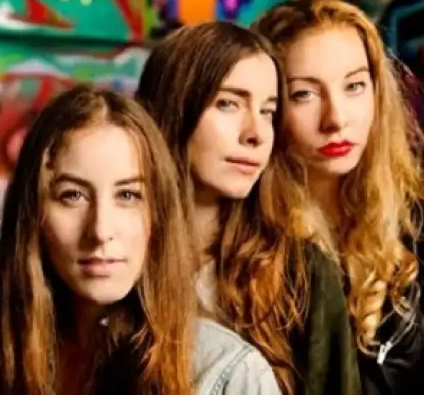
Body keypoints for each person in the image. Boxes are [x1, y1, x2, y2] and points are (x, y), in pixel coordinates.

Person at [0, 84, 281, 395]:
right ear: (33, 215)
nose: (101, 231)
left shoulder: (228, 374)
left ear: (158, 213)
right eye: (72, 195)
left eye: (128, 195)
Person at [136, 21, 360, 395]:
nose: (256, 133)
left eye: (268, 111)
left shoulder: (302, 277)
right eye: (229, 103)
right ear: (175, 107)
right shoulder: (116, 258)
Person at [253, 0, 424, 394]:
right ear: (268, 107)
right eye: (304, 94)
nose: (336, 118)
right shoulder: (242, 246)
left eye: (355, 86)